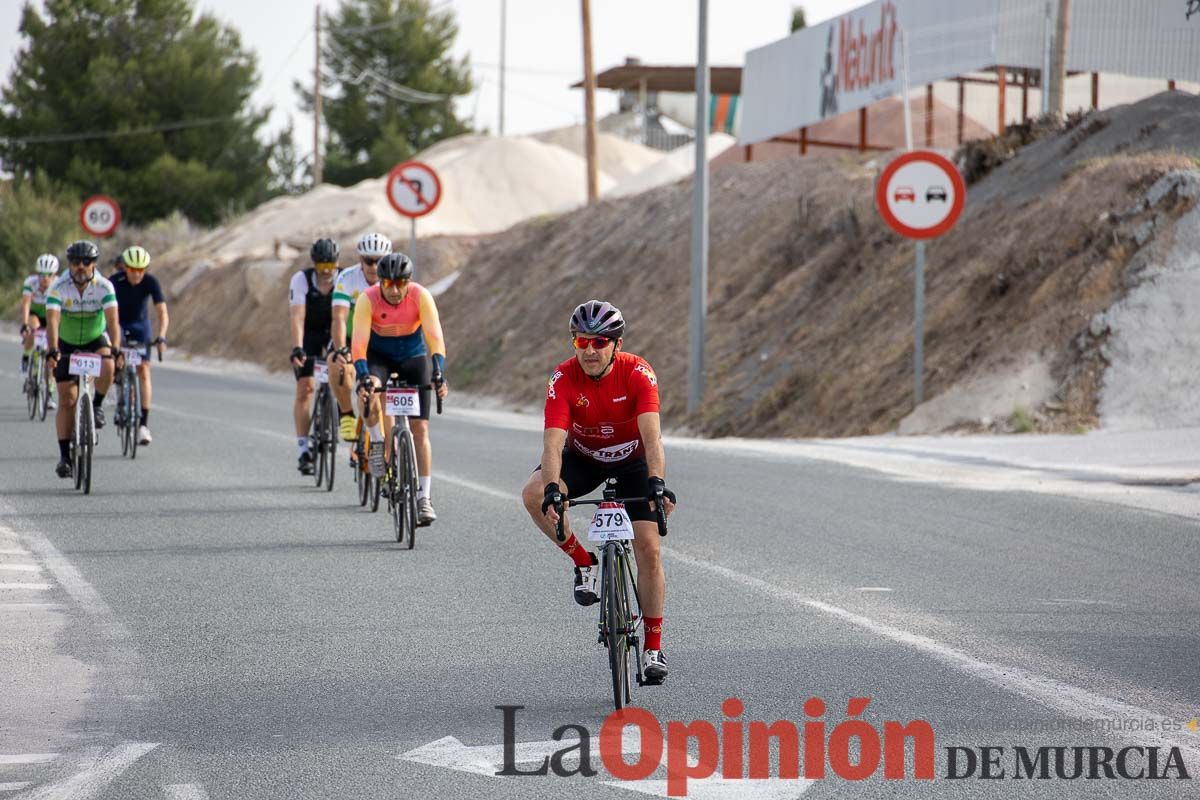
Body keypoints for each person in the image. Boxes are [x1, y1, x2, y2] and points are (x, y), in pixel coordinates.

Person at [520, 300, 677, 684]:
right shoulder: (563, 377)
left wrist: (656, 483)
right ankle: (584, 562)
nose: (590, 350)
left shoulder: (639, 373)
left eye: (599, 342)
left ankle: (653, 647)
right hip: (584, 458)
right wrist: (554, 490)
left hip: (633, 461)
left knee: (648, 547)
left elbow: (653, 439)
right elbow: (554, 444)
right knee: (532, 493)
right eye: (581, 341)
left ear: (616, 344)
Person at [351, 252, 448, 526]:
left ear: (409, 281)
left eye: (400, 283)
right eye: (388, 284)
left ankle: (424, 498)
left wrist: (439, 371)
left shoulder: (421, 296)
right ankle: (377, 442)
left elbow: (435, 337)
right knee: (370, 391)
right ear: (380, 282)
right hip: (378, 358)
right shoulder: (367, 299)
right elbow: (358, 344)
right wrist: (362, 376)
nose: (394, 290)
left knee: (421, 430)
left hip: (413, 359)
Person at [44, 241, 121, 479]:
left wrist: (116, 347)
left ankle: (96, 405)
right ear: (70, 264)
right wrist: (53, 349)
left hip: (94, 338)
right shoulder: (58, 287)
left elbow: (112, 321)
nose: (81, 266)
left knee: (107, 361)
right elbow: (53, 322)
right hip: (66, 342)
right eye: (76, 262)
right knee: (67, 399)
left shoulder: (105, 286)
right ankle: (65, 457)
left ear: (94, 264)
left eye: (86, 262)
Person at [330, 232, 390, 443]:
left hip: (380, 339)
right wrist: (340, 349)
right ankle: (346, 413)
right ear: (360, 259)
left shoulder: (393, 280)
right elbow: (338, 317)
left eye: (379, 261)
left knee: (383, 391)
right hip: (350, 335)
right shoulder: (347, 278)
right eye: (369, 261)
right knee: (337, 365)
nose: (374, 266)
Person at [289, 238, 339, 476]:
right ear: (314, 264)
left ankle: (333, 415)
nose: (327, 271)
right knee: (305, 389)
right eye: (322, 267)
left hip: (334, 333)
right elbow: (297, 317)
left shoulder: (344, 279)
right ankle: (303, 449)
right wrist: (298, 348)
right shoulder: (301, 280)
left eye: (331, 265)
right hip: (309, 333)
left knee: (341, 375)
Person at [110, 246, 168, 445]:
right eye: (133, 269)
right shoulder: (114, 282)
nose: (137, 274)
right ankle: (120, 396)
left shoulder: (151, 282)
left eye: (141, 270)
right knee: (113, 365)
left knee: (143, 371)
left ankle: (143, 425)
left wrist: (161, 336)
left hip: (140, 326)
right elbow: (104, 310)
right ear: (125, 268)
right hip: (118, 324)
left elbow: (162, 312)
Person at [19, 254, 61, 409]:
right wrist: (24, 324)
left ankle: (49, 393)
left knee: (50, 357)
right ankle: (26, 357)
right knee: (32, 329)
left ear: (54, 275)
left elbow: (61, 311)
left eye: (49, 275)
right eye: (42, 275)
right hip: (35, 315)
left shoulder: (58, 285)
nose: (45, 278)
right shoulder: (30, 283)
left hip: (51, 316)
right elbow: (26, 305)